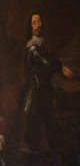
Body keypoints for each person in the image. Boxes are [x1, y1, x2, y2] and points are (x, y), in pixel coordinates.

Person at [21, 12, 76, 152]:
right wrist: (62, 68)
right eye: (34, 22)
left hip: (44, 92)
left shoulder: (42, 44)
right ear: (30, 27)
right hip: (36, 94)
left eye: (39, 21)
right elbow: (48, 62)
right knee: (36, 130)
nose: (39, 24)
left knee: (47, 126)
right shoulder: (32, 48)